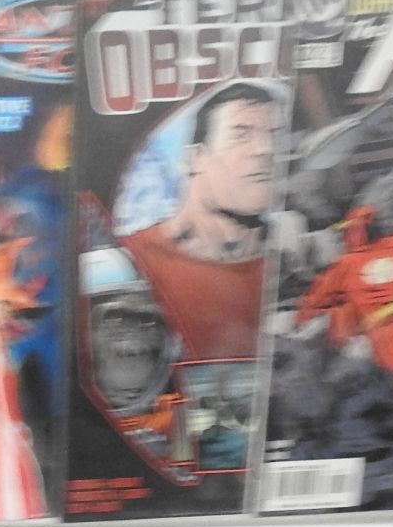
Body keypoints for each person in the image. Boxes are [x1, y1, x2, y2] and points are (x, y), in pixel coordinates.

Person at [118, 81, 278, 362]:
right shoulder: (132, 261)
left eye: (275, 135)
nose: (266, 149)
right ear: (195, 158)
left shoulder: (293, 259)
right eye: (241, 135)